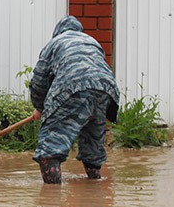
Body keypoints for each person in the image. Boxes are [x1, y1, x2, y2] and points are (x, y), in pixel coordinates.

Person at [29, 16, 119, 184]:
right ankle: (94, 187)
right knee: (93, 141)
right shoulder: (91, 42)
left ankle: (51, 199)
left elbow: (39, 80)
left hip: (73, 86)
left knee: (50, 146)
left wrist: (39, 107)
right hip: (105, 89)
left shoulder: (55, 43)